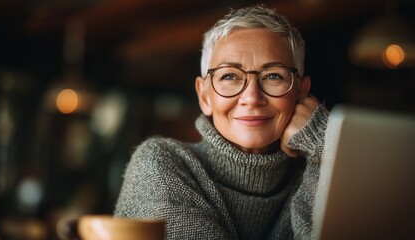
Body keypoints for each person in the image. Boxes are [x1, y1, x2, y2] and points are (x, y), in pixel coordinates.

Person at [114, 4, 329, 239]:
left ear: (300, 93)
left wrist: (323, 142)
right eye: (229, 76)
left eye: (273, 76)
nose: (252, 98)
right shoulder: (159, 164)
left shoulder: (318, 168)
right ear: (204, 96)